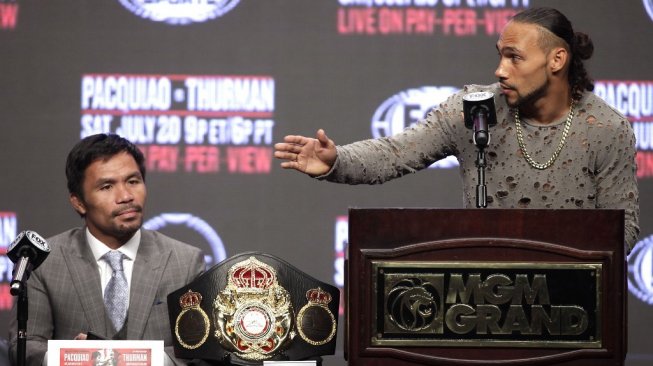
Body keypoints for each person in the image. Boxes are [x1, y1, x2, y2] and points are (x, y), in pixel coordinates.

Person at [274, 7, 639, 252]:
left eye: (514, 57)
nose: (500, 69)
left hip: (571, 305)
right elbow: (395, 153)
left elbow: (622, 233)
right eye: (499, 54)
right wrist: (337, 160)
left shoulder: (605, 129)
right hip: (484, 297)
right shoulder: (475, 110)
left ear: (556, 60)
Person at [8, 134, 205, 366]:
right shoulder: (45, 262)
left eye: (133, 181)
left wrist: (147, 360)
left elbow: (201, 352)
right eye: (107, 186)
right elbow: (25, 345)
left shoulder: (185, 262)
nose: (125, 196)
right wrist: (72, 357)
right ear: (78, 202)